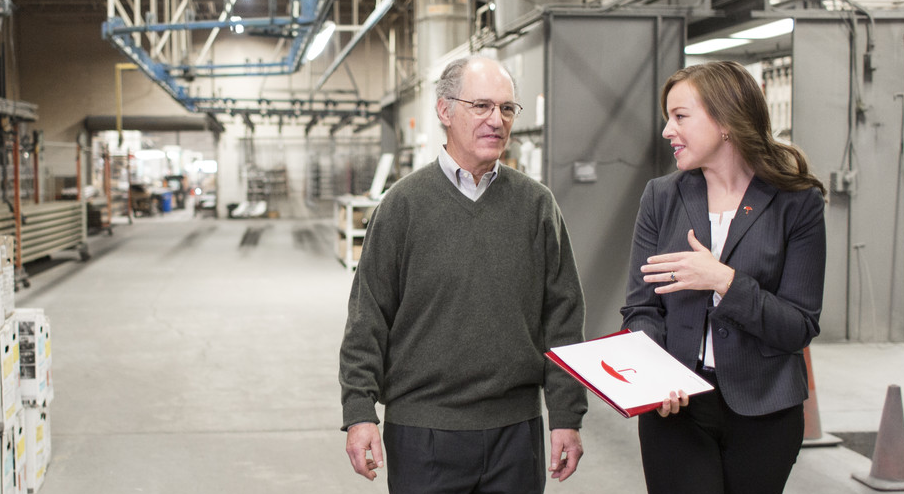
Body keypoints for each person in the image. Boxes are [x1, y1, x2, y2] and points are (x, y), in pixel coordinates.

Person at [338, 55, 588, 493]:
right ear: (444, 110)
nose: (497, 120)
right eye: (482, 106)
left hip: (516, 432)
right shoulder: (403, 206)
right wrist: (359, 411)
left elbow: (562, 318)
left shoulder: (537, 206)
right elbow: (367, 318)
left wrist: (566, 415)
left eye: (507, 108)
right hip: (423, 433)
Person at [620, 60, 827, 493]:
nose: (666, 131)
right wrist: (656, 375)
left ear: (726, 120)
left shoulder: (797, 202)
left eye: (680, 117)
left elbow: (799, 328)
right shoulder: (661, 196)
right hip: (676, 410)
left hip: (765, 410)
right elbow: (641, 308)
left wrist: (723, 281)